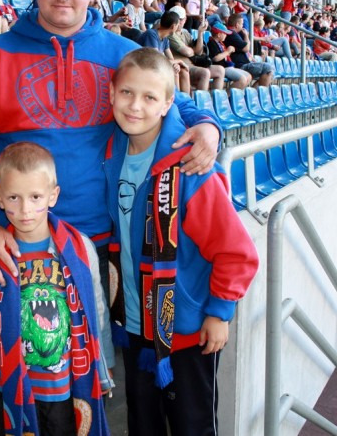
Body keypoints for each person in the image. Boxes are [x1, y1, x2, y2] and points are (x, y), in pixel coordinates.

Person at [0, 0, 222, 294]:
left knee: (102, 334)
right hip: (20, 242)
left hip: (108, 244)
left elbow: (172, 101)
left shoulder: (122, 55)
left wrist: (207, 125)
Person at [104, 48, 258, 436]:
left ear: (168, 103)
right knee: (143, 425)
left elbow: (236, 251)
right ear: (111, 93)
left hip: (187, 332)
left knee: (194, 427)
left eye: (150, 97)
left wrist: (219, 312)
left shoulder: (192, 169)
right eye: (127, 93)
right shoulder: (111, 151)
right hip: (136, 326)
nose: (135, 106)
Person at [0, 142, 114, 435]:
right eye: (14, 197)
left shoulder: (80, 250)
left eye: (35, 197)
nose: (25, 209)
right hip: (16, 392)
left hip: (66, 390)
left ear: (53, 195)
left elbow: (97, 312)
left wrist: (104, 367)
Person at [226, 13, 274, 87]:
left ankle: (255, 93)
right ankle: (257, 93)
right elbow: (246, 48)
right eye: (242, 24)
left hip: (244, 63)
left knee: (269, 72)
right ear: (237, 25)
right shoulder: (231, 33)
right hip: (240, 65)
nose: (242, 26)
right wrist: (246, 36)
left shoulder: (236, 33)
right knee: (268, 68)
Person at [206, 21, 249, 89]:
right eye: (224, 33)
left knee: (248, 76)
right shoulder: (211, 43)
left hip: (227, 67)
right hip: (222, 68)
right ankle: (227, 94)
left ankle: (230, 94)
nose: (226, 35)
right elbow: (215, 58)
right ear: (219, 34)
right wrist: (228, 51)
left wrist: (228, 51)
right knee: (242, 79)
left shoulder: (221, 43)